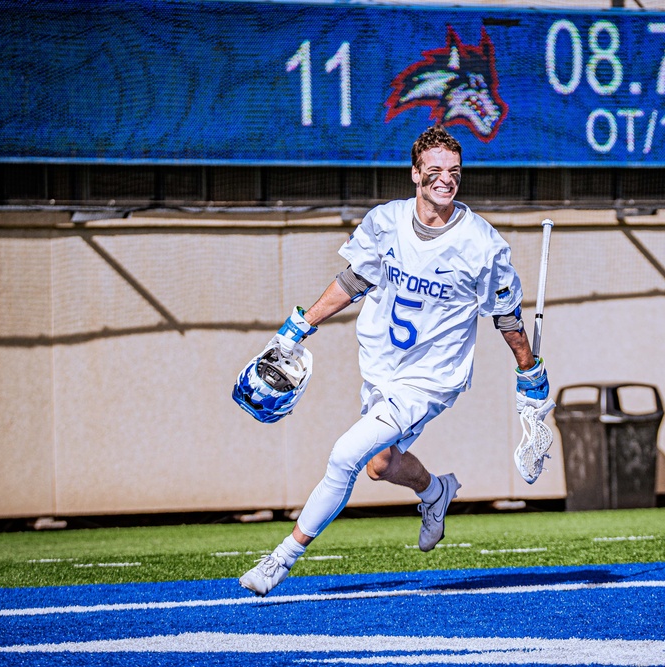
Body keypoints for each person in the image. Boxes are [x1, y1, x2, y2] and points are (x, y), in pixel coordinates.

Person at [235, 125, 551, 597]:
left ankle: (282, 558)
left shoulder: (482, 245)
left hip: (430, 379)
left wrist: (531, 375)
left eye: (454, 172)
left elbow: (506, 317)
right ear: (415, 174)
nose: (446, 180)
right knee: (380, 465)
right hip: (382, 367)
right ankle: (434, 492)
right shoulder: (385, 222)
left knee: (344, 456)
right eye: (436, 171)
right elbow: (352, 281)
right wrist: (299, 326)